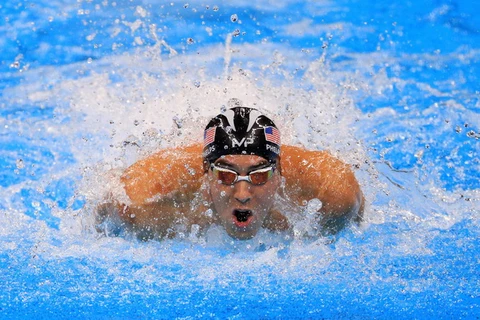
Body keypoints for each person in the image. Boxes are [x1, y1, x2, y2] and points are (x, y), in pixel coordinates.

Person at [96, 106, 364, 240]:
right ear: (205, 173)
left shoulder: (331, 197)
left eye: (259, 176)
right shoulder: (144, 204)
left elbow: (358, 214)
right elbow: (102, 211)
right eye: (226, 175)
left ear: (280, 174)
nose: (243, 194)